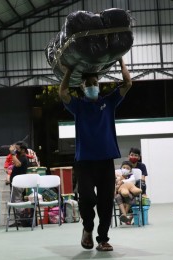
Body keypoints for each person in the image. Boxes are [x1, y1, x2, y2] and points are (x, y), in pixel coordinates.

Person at [58, 57, 132, 252]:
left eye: (95, 83)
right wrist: (69, 70)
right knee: (88, 199)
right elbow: (63, 92)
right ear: (83, 87)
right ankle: (87, 229)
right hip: (85, 162)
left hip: (106, 161)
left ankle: (103, 239)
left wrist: (121, 61)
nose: (92, 86)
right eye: (88, 84)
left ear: (99, 85)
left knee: (106, 202)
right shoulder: (78, 106)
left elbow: (128, 83)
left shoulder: (109, 102)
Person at [8, 141, 30, 226]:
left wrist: (12, 153)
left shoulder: (23, 157)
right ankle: (19, 220)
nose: (15, 150)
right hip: (15, 183)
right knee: (15, 200)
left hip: (19, 183)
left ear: (23, 150)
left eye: (17, 149)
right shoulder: (20, 156)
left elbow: (17, 164)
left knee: (17, 200)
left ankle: (22, 219)